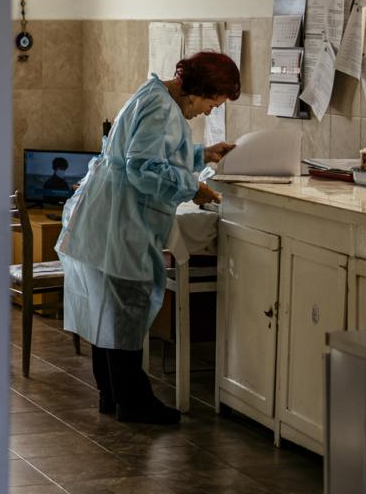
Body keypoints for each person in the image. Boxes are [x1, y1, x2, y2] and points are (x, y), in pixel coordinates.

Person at [55, 51, 240, 424]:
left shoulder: (154, 93)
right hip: (121, 218)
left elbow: (148, 150)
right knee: (125, 306)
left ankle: (112, 394)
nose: (208, 111)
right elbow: (143, 168)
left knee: (107, 309)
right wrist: (194, 188)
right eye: (211, 102)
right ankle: (134, 402)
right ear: (198, 89)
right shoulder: (163, 109)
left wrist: (200, 153)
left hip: (105, 210)